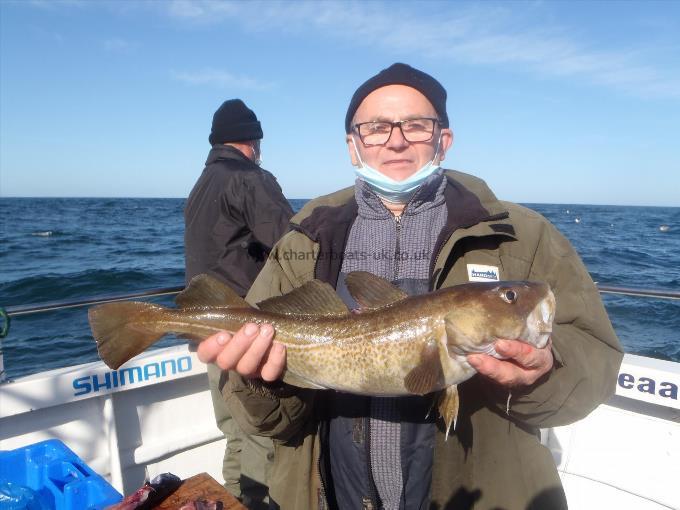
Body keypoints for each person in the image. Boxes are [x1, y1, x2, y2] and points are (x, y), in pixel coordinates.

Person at [196, 65, 624, 509]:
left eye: (417, 126)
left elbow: (593, 366)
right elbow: (272, 424)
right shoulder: (304, 239)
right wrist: (256, 382)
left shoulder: (524, 235)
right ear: (353, 146)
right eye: (376, 128)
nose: (396, 139)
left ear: (444, 139)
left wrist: (544, 372)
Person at [184, 98, 293, 508]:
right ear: (253, 141)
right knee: (264, 432)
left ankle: (235, 500)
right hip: (247, 333)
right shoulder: (250, 178)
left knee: (234, 428)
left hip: (206, 328)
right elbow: (292, 246)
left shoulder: (201, 184)